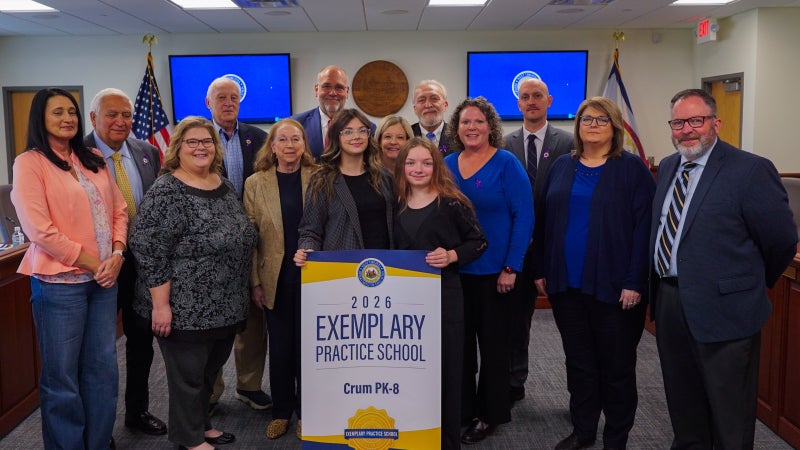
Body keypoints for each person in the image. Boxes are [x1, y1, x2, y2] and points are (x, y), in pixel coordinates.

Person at [650, 89, 797, 449]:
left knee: (729, 414)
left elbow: (780, 240)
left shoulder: (749, 169)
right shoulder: (669, 166)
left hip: (726, 310)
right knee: (683, 405)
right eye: (678, 122)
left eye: (695, 120)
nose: (686, 130)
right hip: (671, 303)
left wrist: (743, 285)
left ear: (716, 123)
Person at [534, 97, 655, 450]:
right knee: (580, 364)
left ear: (615, 125)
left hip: (615, 288)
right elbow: (543, 220)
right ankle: (583, 430)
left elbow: (644, 229)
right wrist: (540, 267)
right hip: (566, 285)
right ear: (577, 125)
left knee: (616, 369)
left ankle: (616, 438)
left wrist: (635, 281)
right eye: (587, 118)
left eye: (602, 119)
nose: (593, 124)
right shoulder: (561, 166)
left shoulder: (632, 170)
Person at [129, 116, 257, 450]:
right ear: (178, 149)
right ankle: (187, 438)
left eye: (207, 141)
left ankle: (202, 424)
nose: (201, 147)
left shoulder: (223, 183)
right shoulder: (167, 190)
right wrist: (160, 305)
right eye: (192, 142)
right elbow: (147, 247)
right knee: (187, 376)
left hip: (225, 305)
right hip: (183, 307)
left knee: (208, 371)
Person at [11, 87, 128, 449]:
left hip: (104, 283)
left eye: (72, 112)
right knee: (62, 377)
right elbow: (39, 229)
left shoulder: (92, 157)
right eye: (57, 112)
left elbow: (119, 211)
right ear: (41, 119)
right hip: (59, 284)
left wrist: (118, 254)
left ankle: (96, 442)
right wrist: (96, 263)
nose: (67, 119)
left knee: (102, 371)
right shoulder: (30, 162)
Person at [443, 97, 534, 445]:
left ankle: (490, 414)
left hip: (497, 273)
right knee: (459, 348)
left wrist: (512, 267)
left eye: (479, 122)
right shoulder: (446, 164)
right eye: (466, 122)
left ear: (490, 126)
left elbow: (523, 217)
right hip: (455, 273)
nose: (472, 128)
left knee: (495, 348)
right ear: (457, 127)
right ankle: (462, 410)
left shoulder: (507, 163)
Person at [393, 137, 487, 450]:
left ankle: (445, 441)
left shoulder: (451, 202)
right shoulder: (394, 202)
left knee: (444, 370)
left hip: (444, 299)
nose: (417, 169)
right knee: (408, 370)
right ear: (401, 166)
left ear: (436, 166)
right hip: (402, 302)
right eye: (410, 163)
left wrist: (451, 256)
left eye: (425, 162)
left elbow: (478, 242)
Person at [84, 87, 167, 436]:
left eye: (127, 115)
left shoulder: (147, 152)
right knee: (99, 352)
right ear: (93, 118)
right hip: (97, 267)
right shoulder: (75, 155)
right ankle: (98, 428)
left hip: (141, 265)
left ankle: (137, 411)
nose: (121, 122)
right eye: (112, 115)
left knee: (140, 343)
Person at [243, 119, 316, 440]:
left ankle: (308, 413)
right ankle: (282, 412)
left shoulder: (319, 178)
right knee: (282, 348)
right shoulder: (255, 183)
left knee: (311, 349)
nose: (289, 145)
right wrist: (255, 282)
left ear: (304, 144)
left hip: (315, 277)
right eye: (282, 139)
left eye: (295, 139)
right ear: (271, 146)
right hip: (275, 279)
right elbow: (251, 238)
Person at [503, 77, 574, 403]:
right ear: (518, 104)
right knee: (516, 322)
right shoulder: (505, 144)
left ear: (550, 100)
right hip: (518, 247)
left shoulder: (570, 142)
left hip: (554, 247)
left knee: (572, 326)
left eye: (538, 96)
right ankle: (515, 381)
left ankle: (578, 394)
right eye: (526, 97)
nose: (531, 101)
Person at [205, 76, 271, 412]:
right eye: (221, 98)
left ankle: (248, 385)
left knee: (253, 319)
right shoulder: (197, 139)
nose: (228, 103)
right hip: (210, 248)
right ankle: (212, 390)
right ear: (208, 104)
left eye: (234, 98)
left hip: (250, 242)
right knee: (214, 321)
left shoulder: (258, 138)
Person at [294, 108, 394, 260]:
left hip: (385, 266)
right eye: (348, 131)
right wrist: (307, 250)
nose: (356, 136)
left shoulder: (384, 177)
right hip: (342, 271)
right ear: (336, 137)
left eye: (362, 130)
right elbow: (310, 231)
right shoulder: (322, 180)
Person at [289, 65, 351, 160]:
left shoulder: (365, 129)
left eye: (339, 87)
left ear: (347, 92)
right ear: (316, 90)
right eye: (326, 86)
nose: (333, 93)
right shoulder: (295, 124)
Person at [411, 80, 454, 156]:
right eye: (421, 100)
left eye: (434, 99)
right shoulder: (406, 136)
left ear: (445, 105)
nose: (428, 105)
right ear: (415, 108)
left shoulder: (457, 135)